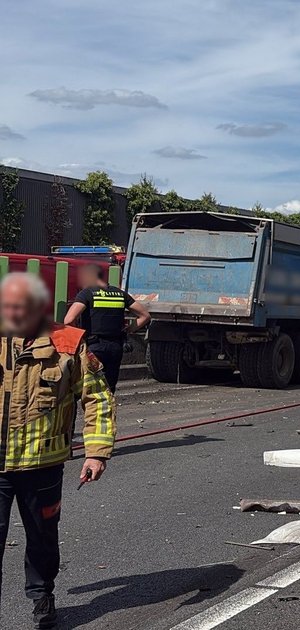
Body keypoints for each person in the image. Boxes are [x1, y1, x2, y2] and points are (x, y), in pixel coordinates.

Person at [1, 273, 116, 628]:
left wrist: (96, 451)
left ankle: (42, 596)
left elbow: (97, 398)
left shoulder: (69, 343)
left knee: (42, 538)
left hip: (43, 464)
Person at [64, 264, 150, 392]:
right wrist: (128, 330)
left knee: (91, 388)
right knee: (109, 387)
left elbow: (69, 320)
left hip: (93, 347)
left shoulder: (87, 293)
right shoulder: (120, 294)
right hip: (115, 347)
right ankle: (107, 411)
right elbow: (145, 315)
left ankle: (95, 411)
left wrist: (79, 337)